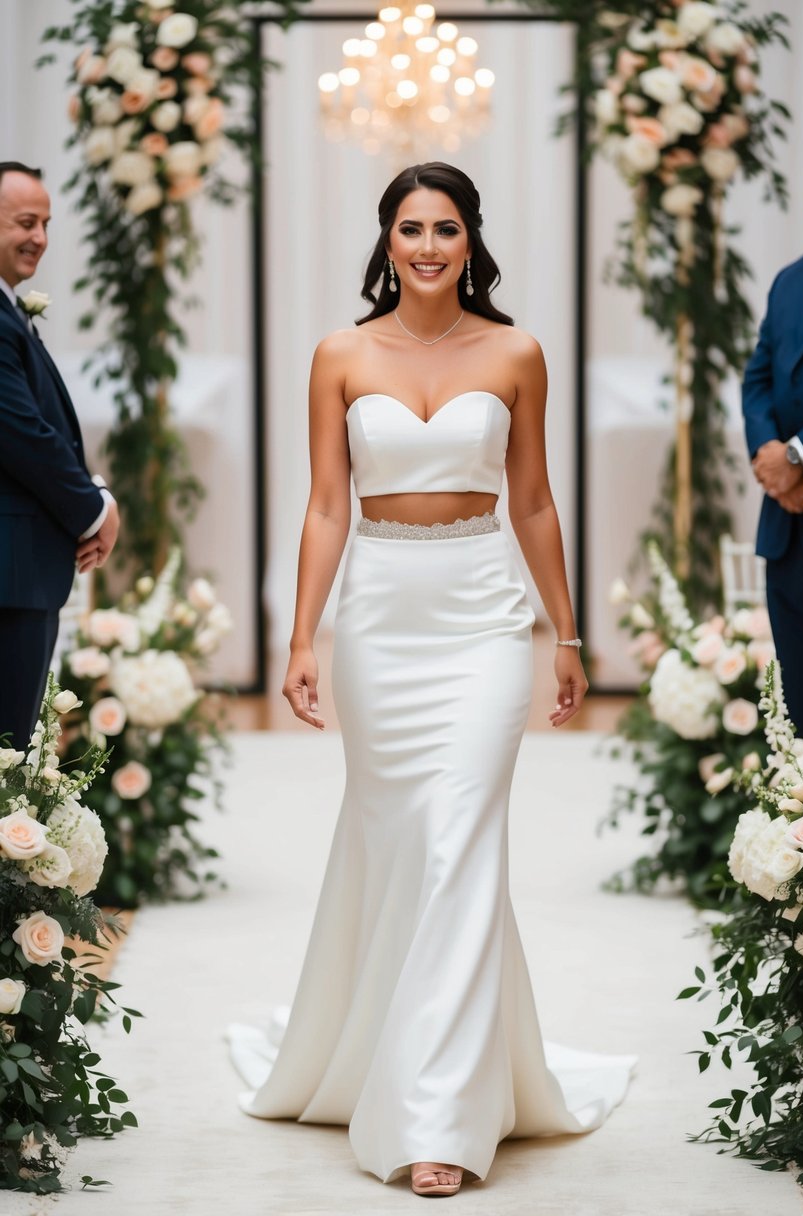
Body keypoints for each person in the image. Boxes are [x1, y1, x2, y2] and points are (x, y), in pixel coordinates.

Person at [228, 162, 635, 1196]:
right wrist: (301, 638)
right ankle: (378, 1046)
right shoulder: (338, 354)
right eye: (408, 227)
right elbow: (325, 504)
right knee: (399, 840)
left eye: (444, 227)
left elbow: (535, 500)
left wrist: (568, 634)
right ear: (385, 239)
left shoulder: (515, 352)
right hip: (378, 618)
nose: (425, 245)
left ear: (470, 240)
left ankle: (438, 1115)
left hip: (483, 614)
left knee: (459, 841)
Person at [0, 162, 119, 748]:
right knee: (5, 752)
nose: (40, 237)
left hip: (21, 573)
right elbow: (18, 430)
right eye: (25, 222)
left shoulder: (9, 310)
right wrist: (94, 509)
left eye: (45, 223)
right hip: (9, 577)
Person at [743, 141, 803, 739]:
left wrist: (801, 456)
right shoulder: (790, 280)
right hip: (789, 535)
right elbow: (758, 379)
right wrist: (773, 462)